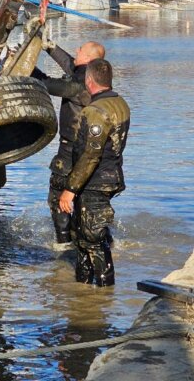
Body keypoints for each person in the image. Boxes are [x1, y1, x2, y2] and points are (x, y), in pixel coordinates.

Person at [58, 58, 130, 286]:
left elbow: (90, 155)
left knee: (92, 238)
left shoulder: (95, 111)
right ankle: (84, 293)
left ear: (89, 81)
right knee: (82, 238)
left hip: (94, 182)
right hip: (108, 177)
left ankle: (102, 298)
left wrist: (70, 189)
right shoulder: (120, 103)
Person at [33, 41, 105, 245]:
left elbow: (48, 84)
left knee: (58, 197)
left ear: (89, 59)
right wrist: (50, 47)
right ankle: (90, 237)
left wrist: (29, 68)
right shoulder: (93, 76)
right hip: (88, 148)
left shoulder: (80, 84)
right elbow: (71, 64)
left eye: (80, 49)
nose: (76, 50)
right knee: (84, 198)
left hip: (72, 149)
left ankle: (63, 244)